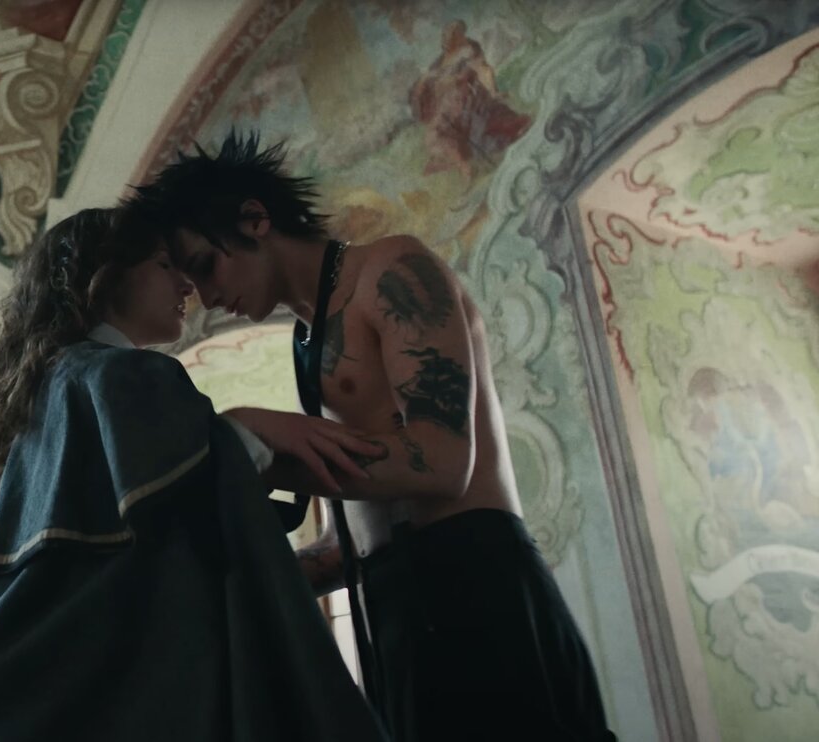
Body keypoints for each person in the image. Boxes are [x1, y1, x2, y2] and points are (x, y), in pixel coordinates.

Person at [125, 133, 618, 741]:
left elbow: (444, 463)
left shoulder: (391, 270)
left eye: (205, 265)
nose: (206, 297)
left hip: (478, 589)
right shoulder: (307, 341)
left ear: (255, 220)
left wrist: (244, 448)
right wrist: (209, 585)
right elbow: (349, 544)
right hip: (392, 615)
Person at [0, 207, 387, 742]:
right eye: (165, 264)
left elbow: (140, 547)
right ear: (105, 277)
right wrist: (246, 429)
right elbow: (177, 491)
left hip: (13, 696)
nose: (187, 284)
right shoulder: (118, 373)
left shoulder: (60, 382)